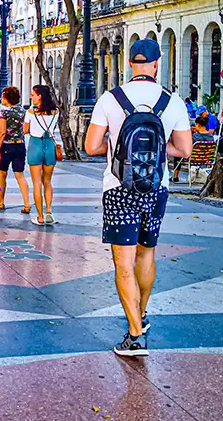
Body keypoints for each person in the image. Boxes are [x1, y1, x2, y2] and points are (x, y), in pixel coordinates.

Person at [84, 38, 192, 357]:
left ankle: (134, 335)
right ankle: (141, 315)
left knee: (123, 263)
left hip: (119, 188)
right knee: (147, 254)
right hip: (157, 188)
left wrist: (120, 151)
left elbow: (91, 146)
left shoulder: (110, 99)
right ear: (157, 63)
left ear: (130, 64)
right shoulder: (172, 102)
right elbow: (184, 149)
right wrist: (156, 153)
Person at [24, 85, 60, 225]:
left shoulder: (31, 112)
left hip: (35, 145)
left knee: (37, 183)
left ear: (40, 96)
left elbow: (26, 130)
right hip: (50, 145)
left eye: (33, 94)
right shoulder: (56, 111)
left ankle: (39, 216)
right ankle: (49, 211)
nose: (31, 97)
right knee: (47, 181)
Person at [0, 87, 31, 214]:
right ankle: (26, 204)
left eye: (3, 96)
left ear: (7, 98)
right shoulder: (23, 111)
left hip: (7, 146)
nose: (1, 99)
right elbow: (25, 129)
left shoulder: (4, 112)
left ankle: (1, 202)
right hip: (20, 145)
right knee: (20, 175)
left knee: (2, 174)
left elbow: (2, 132)